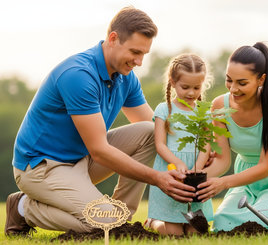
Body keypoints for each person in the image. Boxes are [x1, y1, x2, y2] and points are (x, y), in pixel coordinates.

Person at [5, 7, 196, 236]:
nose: (139, 61)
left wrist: (197, 148)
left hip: (80, 161)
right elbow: (99, 150)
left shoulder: (126, 78)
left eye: (144, 54)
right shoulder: (78, 75)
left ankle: (122, 219)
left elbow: (157, 129)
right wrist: (158, 178)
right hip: (41, 167)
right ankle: (23, 208)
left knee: (148, 132)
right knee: (100, 223)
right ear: (113, 38)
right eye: (135, 52)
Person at [196, 42, 268, 232]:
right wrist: (194, 180)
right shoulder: (219, 106)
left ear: (261, 80)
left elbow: (265, 167)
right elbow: (222, 160)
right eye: (229, 80)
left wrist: (223, 183)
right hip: (246, 181)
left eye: (242, 83)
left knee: (257, 220)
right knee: (223, 222)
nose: (233, 89)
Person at [144, 53, 214, 235]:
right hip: (172, 169)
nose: (191, 93)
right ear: (173, 82)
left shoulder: (204, 112)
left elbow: (206, 144)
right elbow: (160, 145)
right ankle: (153, 222)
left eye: (197, 87)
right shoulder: (164, 110)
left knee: (196, 232)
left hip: (195, 172)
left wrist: (198, 166)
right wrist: (179, 164)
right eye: (185, 87)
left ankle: (184, 223)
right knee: (174, 233)